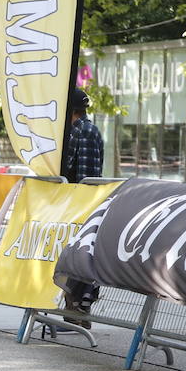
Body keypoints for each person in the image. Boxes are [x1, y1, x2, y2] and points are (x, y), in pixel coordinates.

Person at [62, 87, 104, 322]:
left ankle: (77, 312)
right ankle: (76, 311)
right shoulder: (82, 129)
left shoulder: (83, 131)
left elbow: (86, 175)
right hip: (79, 203)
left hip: (80, 205)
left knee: (77, 256)